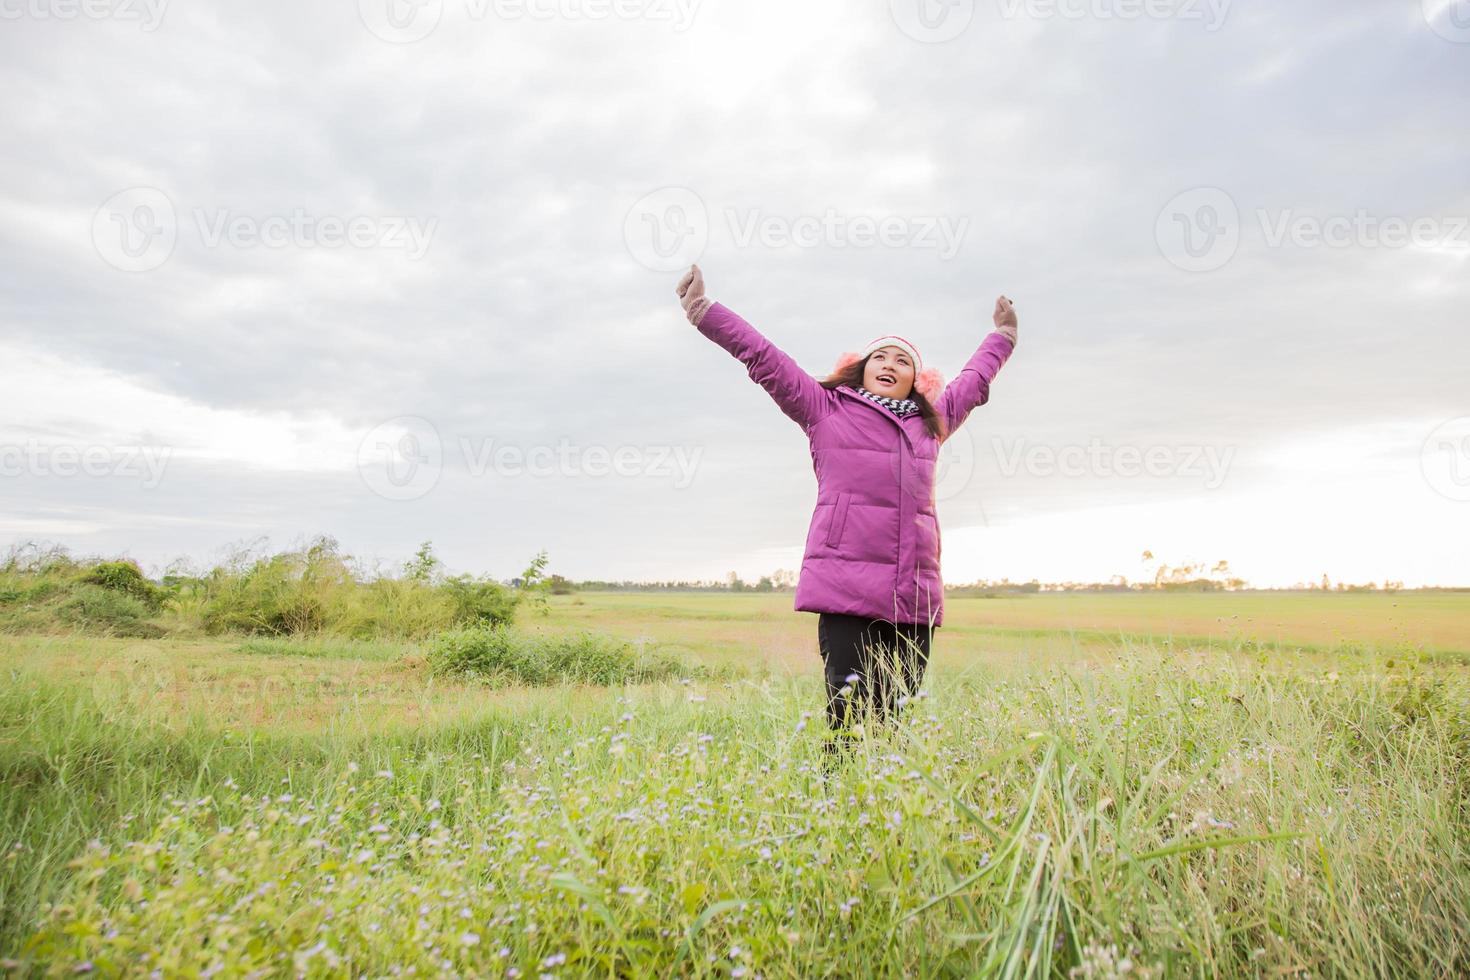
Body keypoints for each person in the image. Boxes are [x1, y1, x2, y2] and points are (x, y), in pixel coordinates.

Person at [675, 264, 1018, 759]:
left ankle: (883, 815)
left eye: (903, 361)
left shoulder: (931, 426)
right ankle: (835, 809)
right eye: (880, 356)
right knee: (848, 716)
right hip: (845, 590)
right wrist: (706, 312)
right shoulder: (823, 409)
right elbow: (764, 358)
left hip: (911, 596)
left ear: (915, 382)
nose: (890, 363)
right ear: (861, 369)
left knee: (895, 718)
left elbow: (975, 380)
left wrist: (1002, 337)